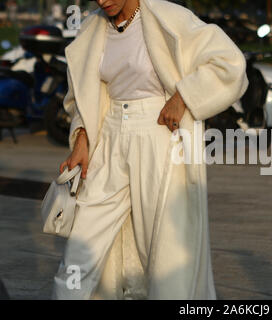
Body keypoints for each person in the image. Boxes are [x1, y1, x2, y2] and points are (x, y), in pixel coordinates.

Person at [52, 0, 248, 299]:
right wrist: (82, 137)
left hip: (158, 134)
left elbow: (229, 63)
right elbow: (84, 94)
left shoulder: (168, 17)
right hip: (109, 136)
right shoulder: (92, 28)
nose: (102, 1)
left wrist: (184, 96)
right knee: (83, 240)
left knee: (164, 247)